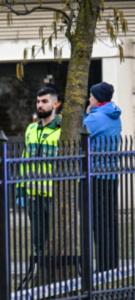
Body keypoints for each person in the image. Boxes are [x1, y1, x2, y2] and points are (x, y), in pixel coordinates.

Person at [84, 82, 121, 272]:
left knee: (98, 223)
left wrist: (86, 113)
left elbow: (77, 133)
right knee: (110, 221)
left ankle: (104, 267)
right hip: (111, 175)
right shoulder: (114, 114)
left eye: (91, 96)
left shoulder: (95, 118)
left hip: (96, 176)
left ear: (97, 98)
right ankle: (112, 264)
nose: (88, 99)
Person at [22, 87, 62, 258]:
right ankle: (41, 271)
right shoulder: (31, 129)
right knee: (38, 238)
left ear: (55, 104)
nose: (40, 105)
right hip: (33, 194)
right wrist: (20, 189)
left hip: (56, 194)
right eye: (38, 101)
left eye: (44, 101)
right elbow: (24, 162)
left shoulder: (63, 130)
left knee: (58, 237)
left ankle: (57, 271)